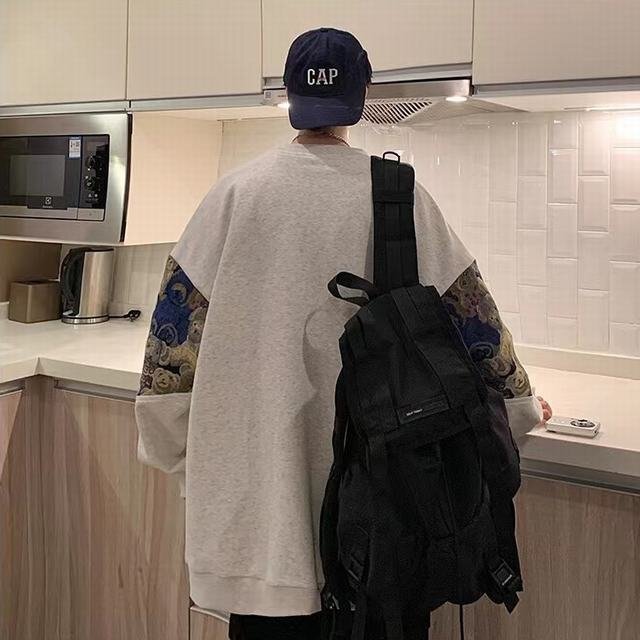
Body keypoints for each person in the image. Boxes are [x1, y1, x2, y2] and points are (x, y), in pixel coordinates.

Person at [135, 27, 552, 640]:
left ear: (289, 94)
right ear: (362, 97)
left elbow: (169, 351)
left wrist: (185, 458)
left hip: (260, 521)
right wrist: (518, 409)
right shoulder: (400, 197)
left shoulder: (232, 196)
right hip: (388, 510)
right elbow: (473, 320)